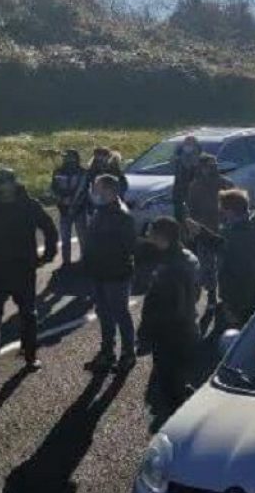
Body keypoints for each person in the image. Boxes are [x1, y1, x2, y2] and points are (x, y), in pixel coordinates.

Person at [0, 168, 58, 371]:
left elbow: (49, 228)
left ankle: (30, 355)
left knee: (28, 314)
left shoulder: (28, 204)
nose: (3, 186)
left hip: (22, 268)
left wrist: (47, 255)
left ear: (14, 183)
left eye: (6, 182)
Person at [138, 217, 201, 407]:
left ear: (162, 237)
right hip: (188, 326)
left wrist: (145, 333)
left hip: (169, 333)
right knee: (181, 372)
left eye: (152, 233)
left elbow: (159, 307)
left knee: (168, 381)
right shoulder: (189, 258)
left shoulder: (168, 268)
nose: (149, 236)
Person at [83, 175, 138, 373]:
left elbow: (130, 246)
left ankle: (128, 353)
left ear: (111, 191)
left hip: (116, 273)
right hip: (99, 271)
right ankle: (107, 352)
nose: (95, 193)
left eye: (99, 189)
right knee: (104, 314)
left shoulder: (121, 215)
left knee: (120, 313)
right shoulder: (100, 211)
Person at [185, 154, 234, 315]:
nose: (208, 169)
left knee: (224, 265)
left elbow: (234, 205)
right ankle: (212, 297)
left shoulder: (225, 184)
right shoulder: (195, 186)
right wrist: (192, 229)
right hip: (203, 231)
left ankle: (225, 297)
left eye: (211, 166)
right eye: (205, 166)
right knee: (207, 267)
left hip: (222, 231)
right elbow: (191, 209)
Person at [216, 189, 255, 328]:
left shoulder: (231, 235)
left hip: (236, 298)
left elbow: (228, 268)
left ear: (230, 211)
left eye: (223, 209)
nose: (221, 213)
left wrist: (227, 302)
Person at [71, 146, 112, 256]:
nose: (100, 160)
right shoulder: (90, 173)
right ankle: (87, 258)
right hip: (90, 208)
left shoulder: (111, 172)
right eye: (98, 157)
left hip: (102, 209)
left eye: (102, 157)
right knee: (88, 236)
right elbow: (81, 190)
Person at [50, 149, 85, 268]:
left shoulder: (82, 172)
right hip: (64, 209)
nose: (67, 159)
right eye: (65, 157)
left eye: (70, 157)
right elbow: (54, 187)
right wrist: (60, 197)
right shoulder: (58, 171)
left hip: (79, 209)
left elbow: (83, 190)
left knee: (82, 236)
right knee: (65, 238)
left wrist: (75, 202)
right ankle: (66, 262)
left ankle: (84, 260)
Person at [172, 135, 203, 222]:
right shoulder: (179, 160)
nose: (188, 146)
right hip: (180, 194)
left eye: (191, 144)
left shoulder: (202, 160)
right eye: (186, 143)